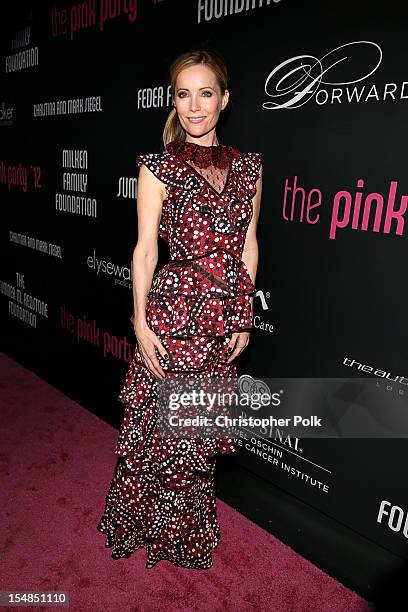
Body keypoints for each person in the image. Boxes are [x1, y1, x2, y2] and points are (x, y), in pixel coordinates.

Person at [97, 49, 263, 569]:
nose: (194, 106)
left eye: (205, 93)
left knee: (198, 434)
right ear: (174, 101)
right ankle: (148, 521)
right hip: (173, 314)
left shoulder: (251, 167)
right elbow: (145, 250)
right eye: (183, 94)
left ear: (225, 99)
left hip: (221, 318)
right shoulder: (158, 167)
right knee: (162, 432)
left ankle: (187, 528)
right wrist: (141, 322)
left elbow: (249, 244)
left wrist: (243, 313)